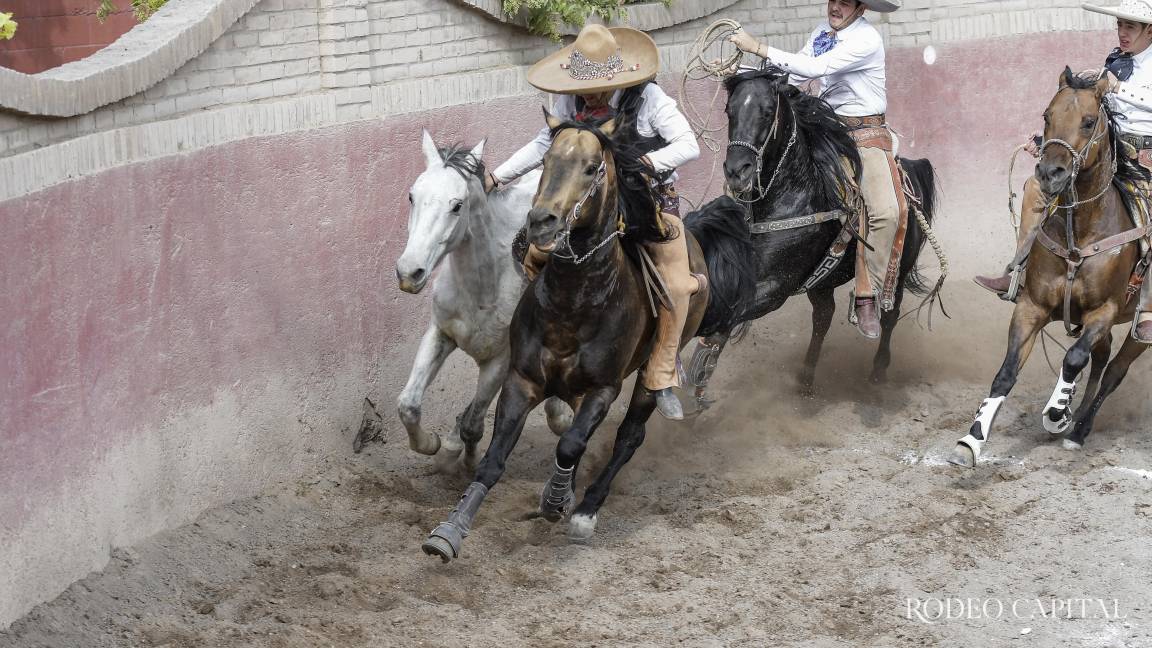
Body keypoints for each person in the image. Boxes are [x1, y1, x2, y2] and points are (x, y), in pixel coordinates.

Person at [487, 24, 703, 419]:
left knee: (676, 283)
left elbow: (689, 145)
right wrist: (497, 176)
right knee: (535, 253)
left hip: (648, 202)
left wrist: (644, 165)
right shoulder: (570, 102)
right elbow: (543, 144)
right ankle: (544, 345)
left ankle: (661, 373)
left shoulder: (650, 98)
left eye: (596, 84)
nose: (587, 93)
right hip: (590, 205)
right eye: (583, 84)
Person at [975, 0, 1152, 342]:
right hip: (1107, 156)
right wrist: (1048, 142)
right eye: (1120, 25)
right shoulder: (1114, 61)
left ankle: (1147, 309)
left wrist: (1116, 87)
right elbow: (1089, 118)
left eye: (1130, 26)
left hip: (1145, 163)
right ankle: (1021, 272)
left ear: (1150, 31)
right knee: (1034, 189)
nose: (1122, 32)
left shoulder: (1126, 73)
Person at [729, 0, 903, 339]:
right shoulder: (822, 33)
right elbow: (793, 73)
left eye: (845, 1)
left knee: (886, 211)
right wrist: (744, 73)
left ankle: (869, 292)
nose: (835, 6)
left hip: (865, 133)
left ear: (861, 9)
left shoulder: (867, 40)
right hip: (826, 124)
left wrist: (759, 47)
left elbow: (815, 68)